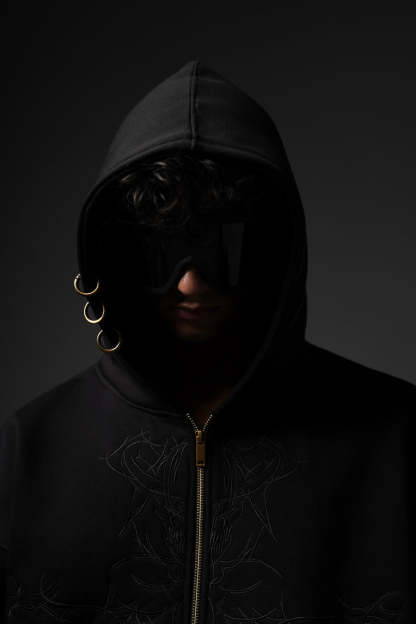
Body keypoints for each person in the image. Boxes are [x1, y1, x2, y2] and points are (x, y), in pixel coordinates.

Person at [0, 59, 414, 623]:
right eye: (165, 249)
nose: (191, 283)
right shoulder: (26, 453)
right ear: (117, 253)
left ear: (275, 249)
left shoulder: (397, 440)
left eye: (224, 247)